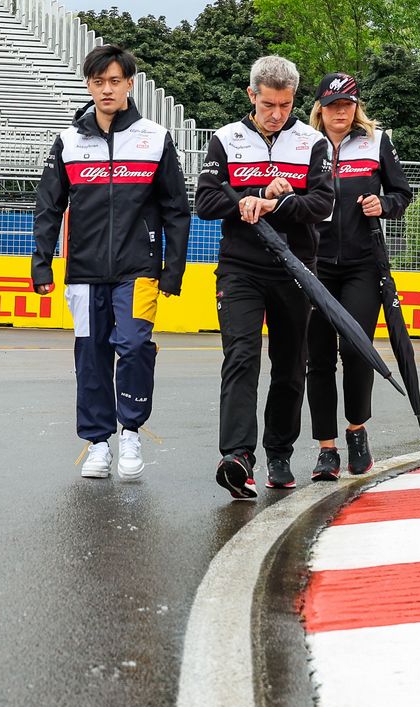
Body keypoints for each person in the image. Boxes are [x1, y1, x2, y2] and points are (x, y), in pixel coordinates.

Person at [31, 44, 191, 481]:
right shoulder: (68, 141)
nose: (106, 89)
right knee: (91, 354)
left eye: (115, 81)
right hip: (83, 272)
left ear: (129, 85)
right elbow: (48, 208)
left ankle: (131, 431)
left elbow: (176, 209)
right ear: (89, 85)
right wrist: (41, 264)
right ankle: (98, 442)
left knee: (135, 345)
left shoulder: (154, 138)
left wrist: (173, 269)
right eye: (98, 81)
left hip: (139, 269)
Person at [196, 55, 335, 500]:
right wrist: (249, 196)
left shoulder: (313, 142)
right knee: (241, 356)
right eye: (268, 104)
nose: (276, 114)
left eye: (285, 105)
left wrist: (278, 203)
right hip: (240, 269)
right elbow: (205, 201)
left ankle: (279, 452)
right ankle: (237, 456)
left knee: (291, 366)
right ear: (251, 96)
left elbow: (323, 205)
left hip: (295, 269)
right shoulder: (225, 139)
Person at [304, 73, 413, 481]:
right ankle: (326, 448)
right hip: (314, 264)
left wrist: (382, 204)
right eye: (333, 105)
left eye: (347, 105)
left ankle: (356, 431)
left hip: (362, 265)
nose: (341, 112)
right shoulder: (303, 143)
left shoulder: (376, 141)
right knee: (317, 357)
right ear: (320, 108)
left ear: (356, 107)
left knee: (355, 349)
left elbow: (402, 194)